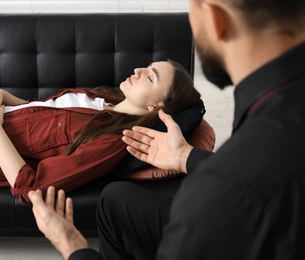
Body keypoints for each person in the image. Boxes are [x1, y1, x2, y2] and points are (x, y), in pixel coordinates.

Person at [28, 0, 305, 259]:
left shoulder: (218, 193)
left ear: (215, 19)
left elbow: (244, 182)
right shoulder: (280, 109)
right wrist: (185, 156)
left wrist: (71, 244)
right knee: (116, 199)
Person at [0, 60, 201, 203]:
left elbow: (32, 188)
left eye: (149, 76)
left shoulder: (112, 142)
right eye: (147, 66)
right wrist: (2, 94)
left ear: (158, 104)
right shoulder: (104, 99)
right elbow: (37, 112)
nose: (138, 70)